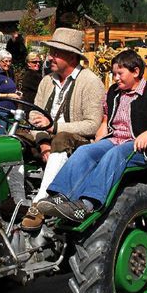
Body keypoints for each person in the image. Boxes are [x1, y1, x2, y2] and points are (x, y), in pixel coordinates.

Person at [36, 49, 147, 222]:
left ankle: (87, 204)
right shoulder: (114, 92)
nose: (116, 78)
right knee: (85, 151)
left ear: (135, 72)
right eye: (114, 74)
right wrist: (100, 133)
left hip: (142, 147)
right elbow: (106, 116)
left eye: (120, 73)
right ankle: (60, 196)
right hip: (115, 140)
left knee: (115, 154)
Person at [20, 28, 104, 230]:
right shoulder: (47, 81)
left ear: (72, 56)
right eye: (51, 52)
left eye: (56, 53)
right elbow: (34, 114)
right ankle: (16, 198)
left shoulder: (90, 82)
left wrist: (54, 127)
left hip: (77, 143)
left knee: (61, 138)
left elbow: (92, 124)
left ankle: (39, 204)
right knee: (14, 139)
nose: (50, 57)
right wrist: (43, 142)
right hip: (46, 138)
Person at [0, 50, 21, 134]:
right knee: (0, 137)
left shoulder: (9, 73)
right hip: (0, 112)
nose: (8, 64)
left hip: (11, 111)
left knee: (10, 137)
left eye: (10, 61)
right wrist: (9, 95)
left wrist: (16, 92)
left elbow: (9, 88)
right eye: (5, 61)